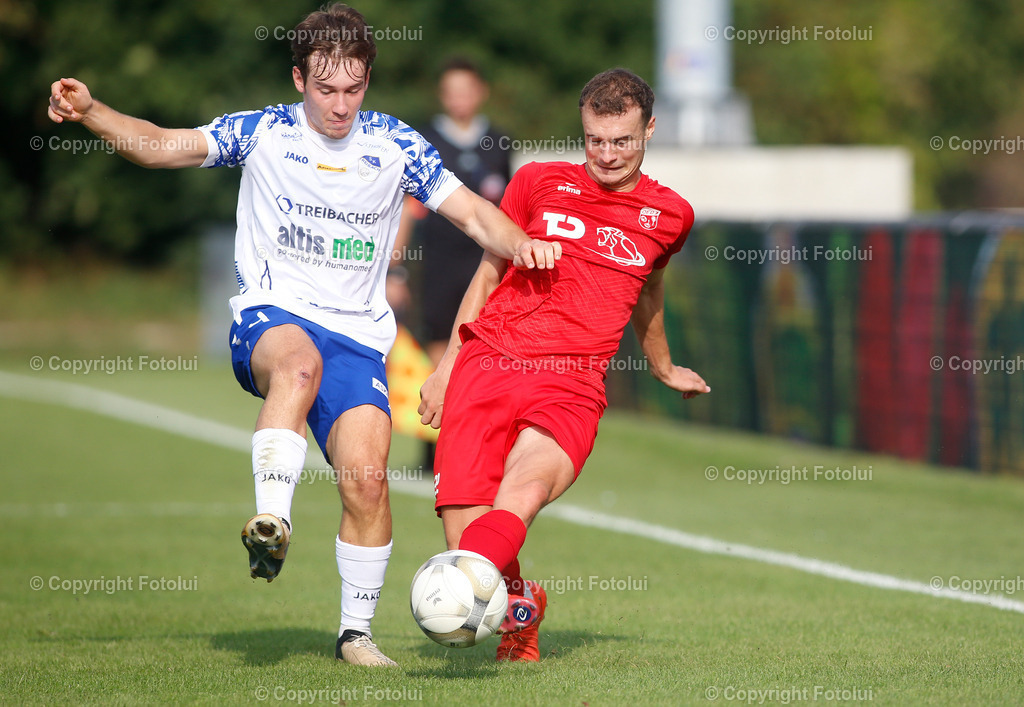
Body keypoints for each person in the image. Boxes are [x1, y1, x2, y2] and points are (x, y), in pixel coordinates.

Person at [47, 3, 558, 668]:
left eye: (353, 89)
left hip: (358, 337)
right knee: (298, 365)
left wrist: (525, 244)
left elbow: (474, 214)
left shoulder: (395, 144)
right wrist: (92, 111)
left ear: (367, 83)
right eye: (325, 89)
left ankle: (355, 635)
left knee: (368, 481)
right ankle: (273, 521)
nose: (340, 106)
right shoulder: (263, 131)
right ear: (298, 79)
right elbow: (160, 145)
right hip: (274, 313)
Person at [418, 68, 710, 662]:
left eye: (622, 140)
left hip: (573, 383)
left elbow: (649, 293)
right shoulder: (536, 182)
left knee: (519, 497)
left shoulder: (670, 215)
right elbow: (489, 272)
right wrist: (447, 366)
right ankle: (522, 605)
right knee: (465, 536)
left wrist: (663, 364)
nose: (606, 154)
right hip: (488, 362)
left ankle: (455, 597)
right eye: (594, 140)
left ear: (649, 130)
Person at [394, 57, 512, 472]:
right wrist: (396, 269)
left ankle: (476, 449)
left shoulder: (499, 142)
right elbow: (407, 209)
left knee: (483, 356)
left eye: (466, 89)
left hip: (487, 266)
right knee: (438, 352)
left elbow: (509, 210)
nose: (459, 99)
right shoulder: (423, 140)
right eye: (451, 91)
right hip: (437, 265)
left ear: (481, 92)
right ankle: (434, 449)